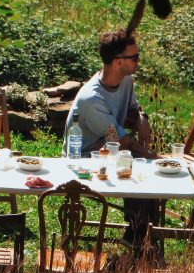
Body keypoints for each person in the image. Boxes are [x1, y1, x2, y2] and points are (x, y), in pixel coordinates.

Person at [62, 30, 158, 255]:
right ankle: (138, 240)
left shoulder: (126, 80)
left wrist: (142, 119)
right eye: (135, 57)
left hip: (110, 148)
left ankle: (139, 238)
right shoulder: (92, 99)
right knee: (141, 168)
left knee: (145, 171)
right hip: (85, 157)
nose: (138, 61)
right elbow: (121, 142)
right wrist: (154, 158)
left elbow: (133, 110)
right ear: (118, 62)